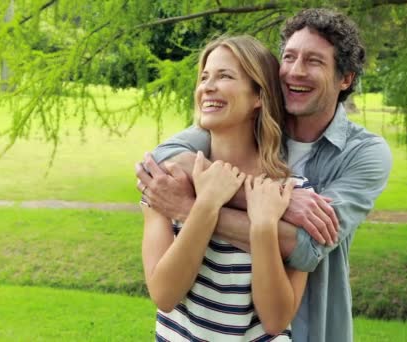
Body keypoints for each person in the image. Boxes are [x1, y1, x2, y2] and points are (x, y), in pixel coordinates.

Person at [137, 8, 392, 342]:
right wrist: (244, 198)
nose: (295, 72)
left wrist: (193, 209)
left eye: (314, 61)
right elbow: (161, 160)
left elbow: (307, 246)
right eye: (288, 57)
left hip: (310, 328)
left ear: (345, 78)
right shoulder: (222, 132)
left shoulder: (364, 154)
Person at [141, 35, 311, 341]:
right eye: (205, 77)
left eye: (225, 76)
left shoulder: (292, 193)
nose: (207, 86)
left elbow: (275, 320)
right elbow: (164, 294)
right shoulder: (168, 185)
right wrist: (206, 204)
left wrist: (262, 228)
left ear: (258, 96)